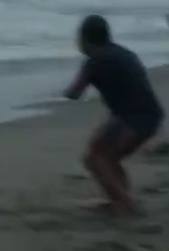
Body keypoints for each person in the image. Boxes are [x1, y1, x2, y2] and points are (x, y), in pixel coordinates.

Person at [63, 14, 164, 217]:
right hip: (150, 115)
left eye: (79, 38)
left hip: (134, 118)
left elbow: (74, 93)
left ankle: (127, 205)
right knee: (105, 155)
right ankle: (118, 198)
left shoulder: (94, 61)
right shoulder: (123, 52)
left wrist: (62, 91)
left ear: (86, 39)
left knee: (96, 159)